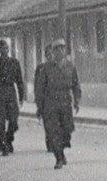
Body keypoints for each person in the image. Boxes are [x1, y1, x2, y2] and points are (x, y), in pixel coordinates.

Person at [34, 40, 81, 169]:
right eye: (57, 49)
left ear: (65, 50)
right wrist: (40, 106)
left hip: (65, 102)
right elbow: (40, 88)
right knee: (54, 131)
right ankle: (59, 158)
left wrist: (77, 101)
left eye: (62, 48)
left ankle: (62, 151)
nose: (60, 51)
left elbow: (76, 85)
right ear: (53, 51)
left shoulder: (71, 66)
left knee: (67, 130)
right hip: (51, 103)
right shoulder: (46, 68)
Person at [0, 38, 26, 153]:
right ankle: (3, 145)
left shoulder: (14, 62)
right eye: (2, 48)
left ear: (8, 49)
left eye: (6, 48)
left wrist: (21, 96)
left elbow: (19, 80)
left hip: (10, 91)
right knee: (0, 121)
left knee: (14, 120)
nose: (4, 50)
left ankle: (8, 139)